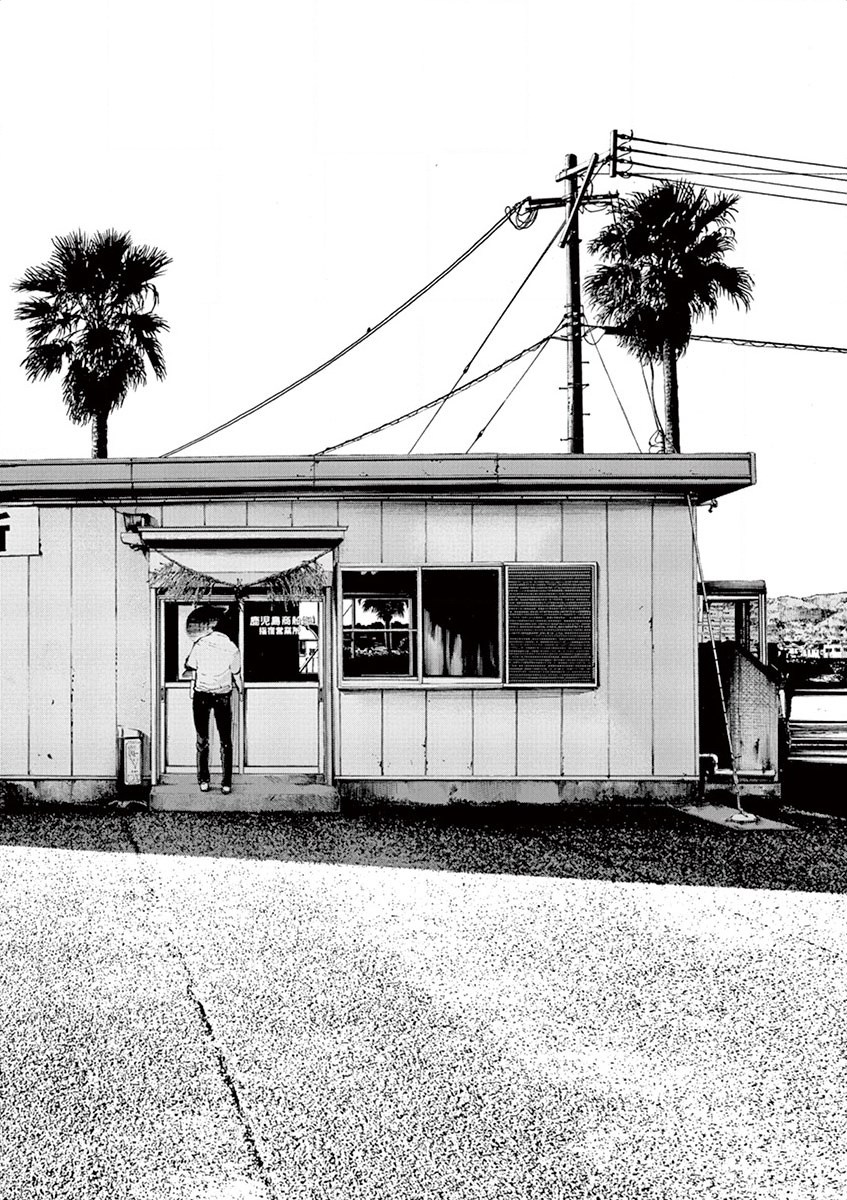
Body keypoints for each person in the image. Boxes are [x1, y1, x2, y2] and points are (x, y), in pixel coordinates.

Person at [183, 605, 242, 794]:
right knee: (226, 740)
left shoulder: (200, 644)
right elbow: (236, 673)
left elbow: (190, 666)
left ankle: (204, 780)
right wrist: (241, 691)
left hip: (202, 694)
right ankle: (226, 783)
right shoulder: (232, 647)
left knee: (202, 739)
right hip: (223, 694)